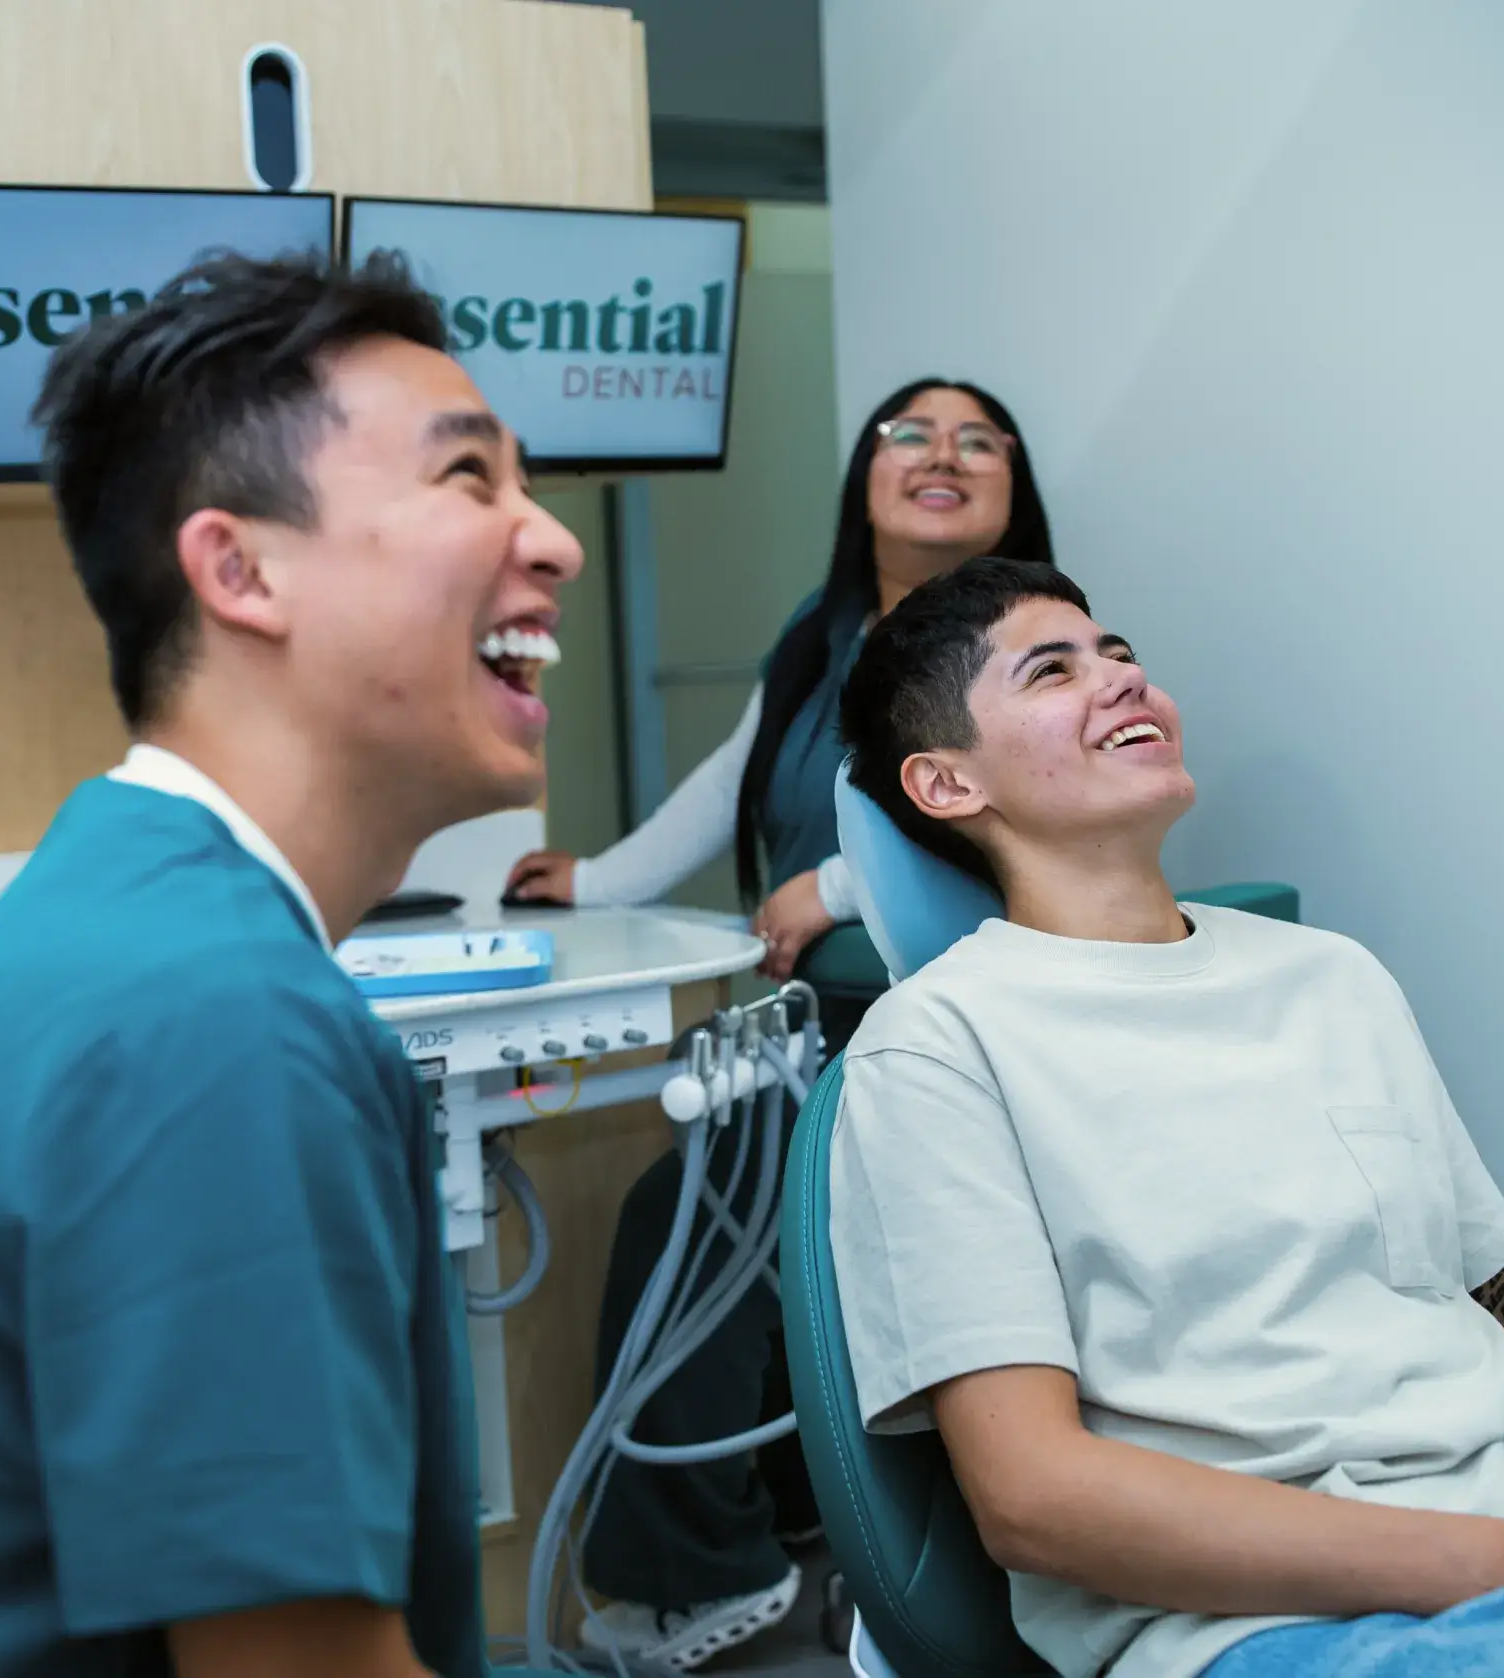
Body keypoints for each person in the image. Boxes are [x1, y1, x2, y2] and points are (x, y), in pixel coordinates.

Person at [0, 252, 583, 1678]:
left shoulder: (109, 911)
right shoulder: (215, 1024)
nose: (553, 541)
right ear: (240, 569)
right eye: (469, 481)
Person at [831, 554, 1504, 1678]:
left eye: (1120, 654)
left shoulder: (1334, 978)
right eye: (1053, 669)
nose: (1123, 679)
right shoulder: (938, 1049)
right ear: (945, 784)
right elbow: (1035, 1500)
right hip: (1273, 1627)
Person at [506, 380, 1054, 1668]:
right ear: (862, 474)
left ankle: (701, 1578)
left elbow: (1031, 800)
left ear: (1011, 490)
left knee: (688, 1215)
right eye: (907, 431)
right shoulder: (827, 633)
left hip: (944, 1022)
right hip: (823, 1014)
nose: (941, 454)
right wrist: (596, 882)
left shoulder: (1030, 634)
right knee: (706, 1218)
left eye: (978, 440)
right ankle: (754, 1535)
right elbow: (731, 782)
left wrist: (837, 884)